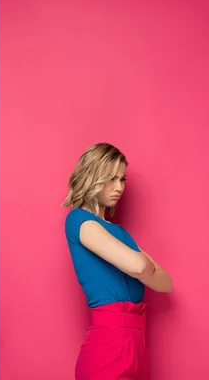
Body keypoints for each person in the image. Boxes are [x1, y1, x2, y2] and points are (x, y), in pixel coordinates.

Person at [62, 143, 172, 380]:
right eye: (111, 179)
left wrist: (140, 266)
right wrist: (142, 267)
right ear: (93, 177)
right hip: (108, 345)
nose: (119, 187)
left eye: (122, 179)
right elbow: (140, 266)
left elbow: (165, 284)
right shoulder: (79, 220)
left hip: (138, 344)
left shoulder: (120, 233)